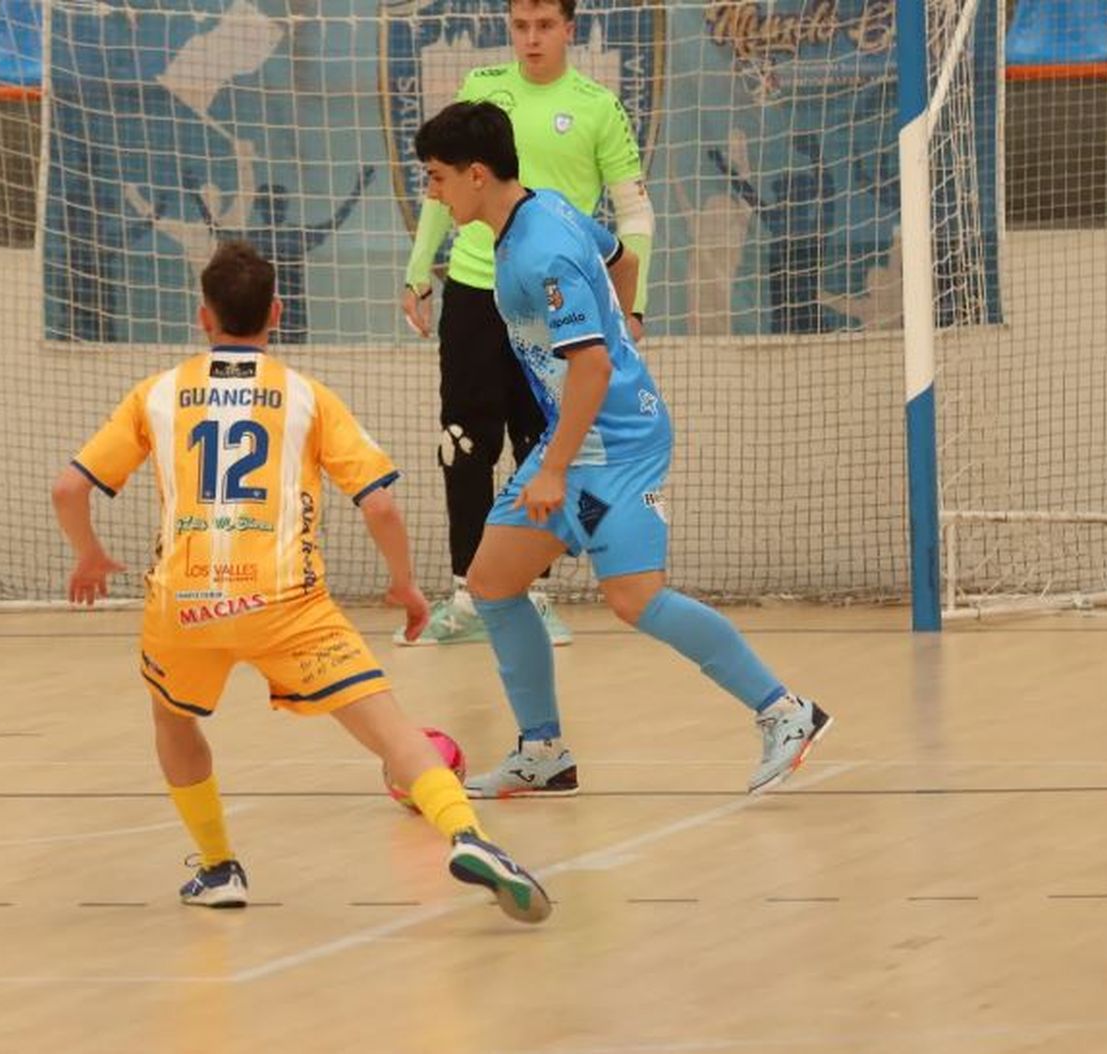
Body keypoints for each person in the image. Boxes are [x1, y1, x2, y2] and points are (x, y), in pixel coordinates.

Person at [50, 240, 550, 922]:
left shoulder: (158, 394)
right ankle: (469, 835)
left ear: (204, 318)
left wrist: (89, 556)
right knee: (389, 727)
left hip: (183, 601)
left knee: (173, 719)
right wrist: (405, 586)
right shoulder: (306, 397)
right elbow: (379, 503)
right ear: (277, 313)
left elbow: (68, 489)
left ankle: (219, 867)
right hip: (285, 601)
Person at [412, 102, 833, 798]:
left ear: (476, 175)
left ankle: (787, 712)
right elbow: (622, 259)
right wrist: (626, 321)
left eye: (435, 178)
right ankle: (542, 750)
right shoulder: (542, 213)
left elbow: (594, 367)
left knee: (635, 598)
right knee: (491, 583)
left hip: (617, 444)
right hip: (574, 435)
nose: (432, 192)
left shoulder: (541, 249)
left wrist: (552, 465)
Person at [397, 0, 657, 647]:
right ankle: (466, 590)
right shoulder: (483, 91)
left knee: (538, 436)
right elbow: (443, 183)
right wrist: (419, 266)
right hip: (478, 287)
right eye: (520, 26)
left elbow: (633, 215)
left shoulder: (596, 106)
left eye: (545, 26)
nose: (532, 38)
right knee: (462, 437)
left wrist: (632, 307)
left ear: (569, 29)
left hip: (551, 296)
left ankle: (530, 592)